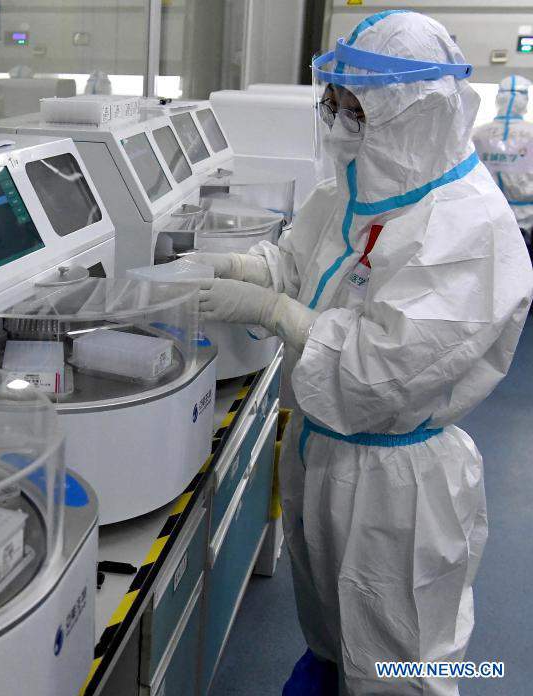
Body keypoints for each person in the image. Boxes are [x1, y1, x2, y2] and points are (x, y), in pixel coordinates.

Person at [191, 11, 533, 695]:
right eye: (336, 106)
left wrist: (274, 313)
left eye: (360, 111)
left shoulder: (467, 228)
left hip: (396, 486)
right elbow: (303, 259)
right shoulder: (357, 185)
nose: (343, 125)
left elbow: (381, 373)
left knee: (399, 664)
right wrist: (252, 272)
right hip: (321, 453)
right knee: (330, 631)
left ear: (417, 116)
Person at [472, 75, 533, 245]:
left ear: (498, 99)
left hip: (486, 215)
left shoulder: (476, 134)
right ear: (525, 101)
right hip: (527, 219)